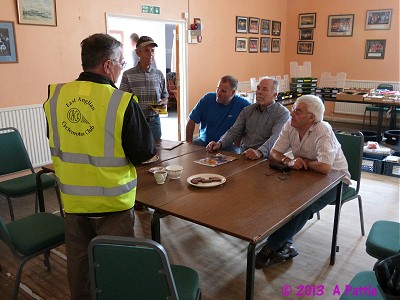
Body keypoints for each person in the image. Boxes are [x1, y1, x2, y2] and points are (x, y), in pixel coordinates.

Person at [43, 33, 157, 299]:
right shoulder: (121, 101)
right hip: (112, 204)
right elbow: (143, 152)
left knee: (79, 266)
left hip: (72, 203)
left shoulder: (56, 96)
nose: (121, 67)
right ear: (107, 65)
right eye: (119, 61)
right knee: (115, 268)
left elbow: (56, 138)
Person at [254, 94, 352, 269]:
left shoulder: (322, 129)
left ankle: (272, 246)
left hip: (336, 181)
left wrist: (302, 163)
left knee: (302, 207)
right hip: (306, 174)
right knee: (274, 192)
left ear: (311, 117)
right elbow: (274, 153)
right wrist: (288, 161)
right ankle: (284, 242)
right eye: (293, 109)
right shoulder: (291, 125)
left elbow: (324, 167)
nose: (292, 113)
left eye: (297, 111)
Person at [206, 77, 290, 159]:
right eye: (258, 88)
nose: (259, 92)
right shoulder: (247, 110)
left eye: (264, 89)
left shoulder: (282, 113)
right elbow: (234, 131)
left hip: (265, 158)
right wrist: (220, 143)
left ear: (275, 95)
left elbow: (276, 138)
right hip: (244, 155)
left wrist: (259, 152)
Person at [120, 35, 168, 142]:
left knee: (157, 152)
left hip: (155, 122)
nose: (150, 54)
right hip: (136, 123)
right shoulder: (128, 75)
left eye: (152, 50)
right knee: (138, 154)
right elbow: (121, 101)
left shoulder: (159, 74)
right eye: (146, 50)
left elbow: (165, 96)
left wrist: (164, 102)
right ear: (138, 53)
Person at [186, 75, 251, 153]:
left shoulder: (243, 104)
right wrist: (188, 144)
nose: (218, 93)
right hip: (203, 143)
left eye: (223, 91)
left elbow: (250, 128)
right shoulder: (207, 99)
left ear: (233, 93)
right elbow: (191, 121)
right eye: (218, 89)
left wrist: (239, 142)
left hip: (228, 146)